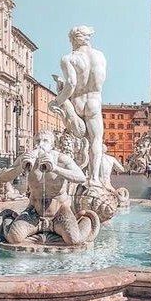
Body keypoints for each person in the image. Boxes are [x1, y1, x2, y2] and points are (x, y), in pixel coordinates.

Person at [49, 26, 106, 186]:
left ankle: (72, 176)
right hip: (94, 102)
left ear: (73, 39)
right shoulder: (100, 56)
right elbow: (100, 80)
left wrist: (58, 100)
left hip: (77, 102)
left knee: (74, 139)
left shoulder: (69, 58)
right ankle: (94, 179)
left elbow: (71, 83)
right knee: (96, 140)